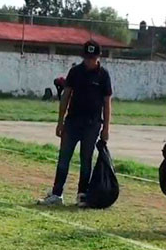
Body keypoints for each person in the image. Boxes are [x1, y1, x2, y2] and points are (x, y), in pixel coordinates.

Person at [38, 40, 112, 208]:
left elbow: (107, 102)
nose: (89, 61)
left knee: (86, 160)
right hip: (72, 122)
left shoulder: (103, 75)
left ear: (98, 57)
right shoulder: (75, 72)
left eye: (92, 58)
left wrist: (106, 128)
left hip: (92, 124)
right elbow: (66, 96)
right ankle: (57, 194)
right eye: (87, 58)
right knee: (64, 158)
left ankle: (82, 194)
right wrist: (60, 121)